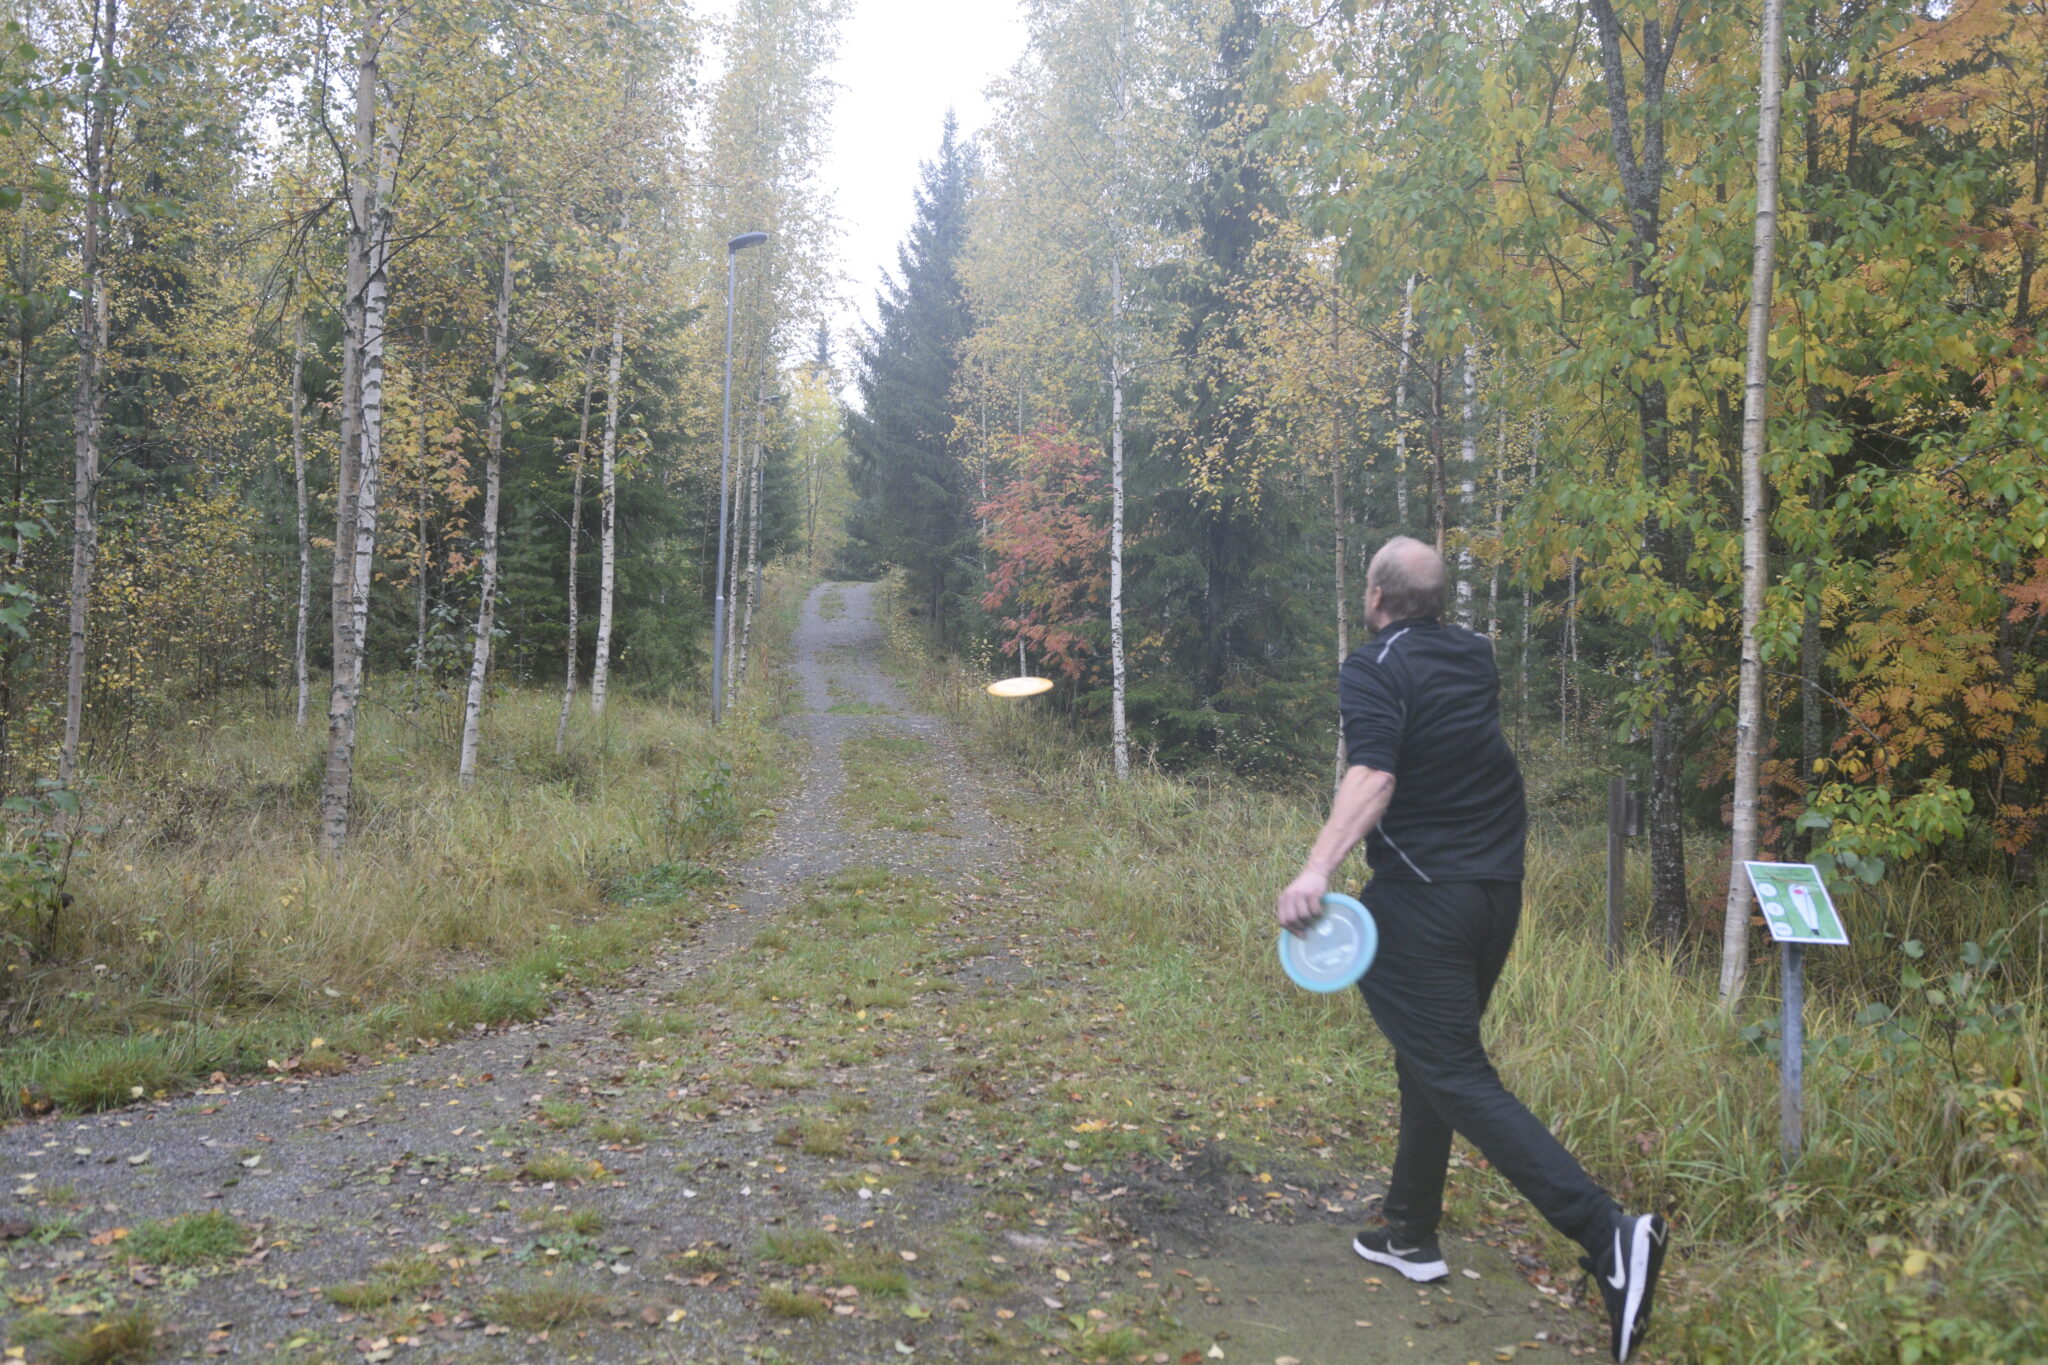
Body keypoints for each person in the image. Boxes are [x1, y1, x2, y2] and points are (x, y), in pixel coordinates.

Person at [1275, 537, 1668, 1364]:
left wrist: (1317, 868)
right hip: (1496, 895)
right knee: (1433, 1059)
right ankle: (1409, 1229)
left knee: (1454, 1070)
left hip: (1423, 900)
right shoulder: (1473, 656)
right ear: (1437, 599)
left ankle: (1609, 1234)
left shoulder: (1374, 663)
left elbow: (1374, 776)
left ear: (1376, 595)